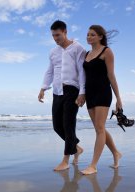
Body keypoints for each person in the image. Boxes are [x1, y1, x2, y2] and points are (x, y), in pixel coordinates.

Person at [38, 20, 86, 171]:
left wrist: (83, 92)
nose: (55, 38)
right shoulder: (53, 52)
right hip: (57, 91)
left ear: (65, 32)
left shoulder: (78, 48)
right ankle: (76, 148)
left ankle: (65, 160)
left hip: (72, 90)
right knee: (57, 126)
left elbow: (82, 71)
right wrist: (43, 88)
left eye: (58, 35)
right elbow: (50, 71)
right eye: (53, 36)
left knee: (68, 124)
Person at [80, 25, 123, 175]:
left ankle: (93, 165)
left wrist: (118, 98)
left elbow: (111, 76)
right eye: (87, 34)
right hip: (90, 94)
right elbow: (83, 77)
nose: (89, 37)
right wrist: (82, 93)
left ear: (100, 37)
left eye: (92, 35)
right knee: (100, 128)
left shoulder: (107, 52)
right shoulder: (86, 54)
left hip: (103, 92)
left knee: (99, 128)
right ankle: (116, 153)